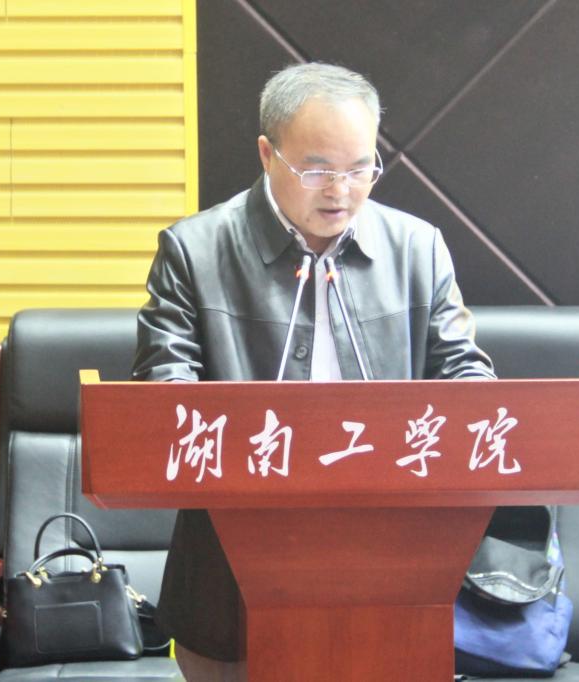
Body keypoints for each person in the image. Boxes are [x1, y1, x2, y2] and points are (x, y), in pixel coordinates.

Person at [132, 62, 495, 681]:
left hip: (389, 576)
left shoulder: (418, 248)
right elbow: (163, 399)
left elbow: (468, 381)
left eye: (361, 168)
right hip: (228, 581)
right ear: (267, 154)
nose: (341, 191)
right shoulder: (194, 252)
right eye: (318, 169)